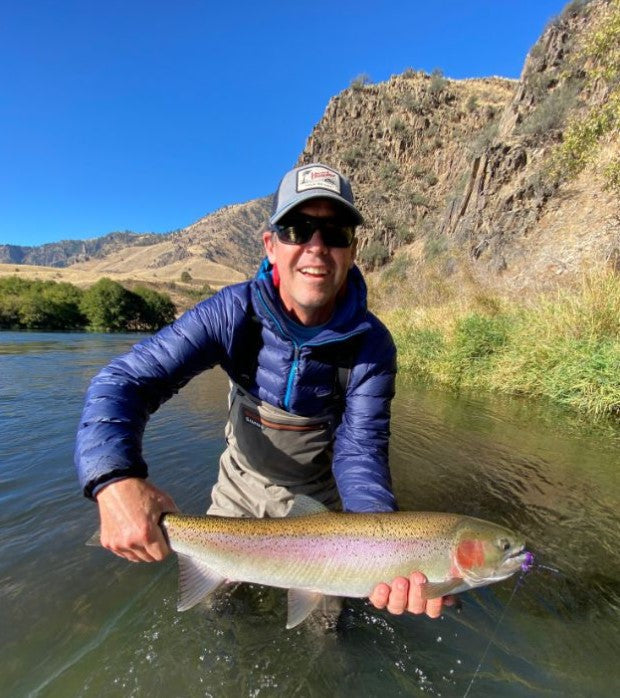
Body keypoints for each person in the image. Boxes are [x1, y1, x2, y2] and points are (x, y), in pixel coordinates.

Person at [75, 162, 449, 620]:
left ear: (352, 250)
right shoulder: (232, 314)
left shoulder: (372, 346)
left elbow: (360, 452)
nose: (317, 247)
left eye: (335, 233)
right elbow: (124, 382)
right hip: (239, 489)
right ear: (271, 246)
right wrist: (114, 479)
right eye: (298, 228)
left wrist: (385, 548)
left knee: (326, 626)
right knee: (214, 609)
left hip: (323, 507)